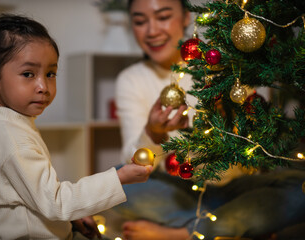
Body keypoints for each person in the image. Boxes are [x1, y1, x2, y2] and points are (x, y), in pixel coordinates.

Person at [114, 0, 305, 239]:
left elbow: (259, 144)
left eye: (163, 17)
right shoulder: (131, 79)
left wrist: (231, 119)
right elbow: (131, 163)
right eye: (140, 21)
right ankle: (230, 228)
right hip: (176, 189)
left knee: (300, 186)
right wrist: (153, 132)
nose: (152, 31)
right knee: (117, 181)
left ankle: (183, 234)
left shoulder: (219, 65)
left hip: (232, 188)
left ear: (186, 18)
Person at [0, 14, 153, 240]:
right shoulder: (11, 138)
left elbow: (32, 195)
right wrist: (120, 177)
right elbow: (55, 202)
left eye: (50, 74)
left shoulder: (4, 123)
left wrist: (70, 218)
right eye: (28, 74)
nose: (43, 86)